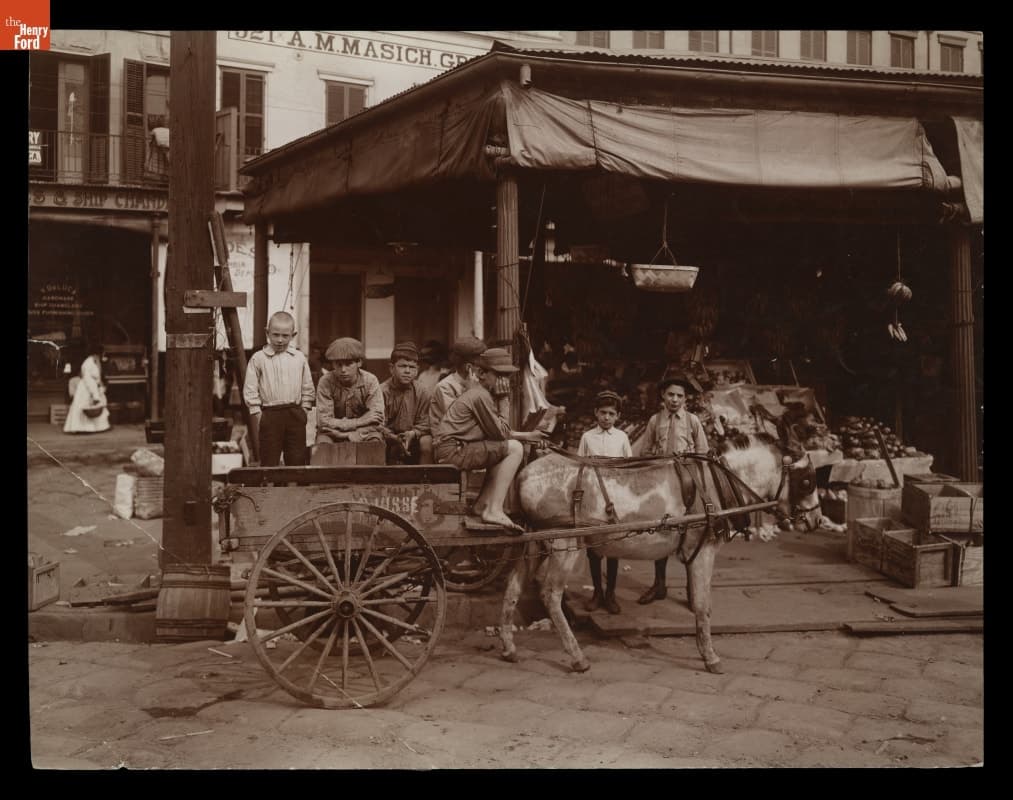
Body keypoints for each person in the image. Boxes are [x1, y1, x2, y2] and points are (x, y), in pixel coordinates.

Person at [433, 348, 548, 532]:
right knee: (515, 449)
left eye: (508, 376)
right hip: (454, 451)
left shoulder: (480, 394)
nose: (505, 381)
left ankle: (482, 505)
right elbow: (501, 433)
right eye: (500, 375)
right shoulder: (481, 396)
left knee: (503, 449)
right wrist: (504, 399)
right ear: (481, 374)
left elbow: (495, 433)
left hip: (456, 448)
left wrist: (527, 436)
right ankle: (494, 509)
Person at [633, 376, 710, 605]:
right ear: (663, 396)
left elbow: (703, 454)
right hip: (662, 485)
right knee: (662, 531)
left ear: (685, 399)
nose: (674, 400)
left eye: (679, 396)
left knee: (690, 533)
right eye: (670, 395)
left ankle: (691, 587)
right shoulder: (655, 421)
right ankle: (659, 585)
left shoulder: (692, 421)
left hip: (687, 484)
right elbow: (645, 452)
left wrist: (689, 465)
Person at [577, 390, 632, 615]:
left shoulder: (622, 438)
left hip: (615, 498)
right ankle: (597, 592)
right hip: (593, 496)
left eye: (611, 413)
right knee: (593, 547)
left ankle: (610, 594)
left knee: (613, 546)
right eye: (603, 413)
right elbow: (579, 466)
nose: (606, 417)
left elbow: (628, 468)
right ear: (595, 413)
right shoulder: (587, 437)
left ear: (617, 415)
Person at [242, 311, 314, 466]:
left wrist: (305, 409)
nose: (280, 340)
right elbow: (250, 388)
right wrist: (258, 414)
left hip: (295, 413)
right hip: (270, 414)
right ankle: (271, 489)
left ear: (293, 335)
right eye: (275, 335)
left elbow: (307, 386)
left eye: (285, 336)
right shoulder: (258, 358)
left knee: (296, 457)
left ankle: (295, 489)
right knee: (269, 458)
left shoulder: (299, 358)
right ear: (267, 332)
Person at [315, 337, 384, 445]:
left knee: (374, 443)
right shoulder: (326, 382)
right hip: (332, 433)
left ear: (359, 362)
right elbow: (323, 422)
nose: (343, 370)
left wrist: (355, 434)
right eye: (338, 364)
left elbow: (378, 420)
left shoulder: (370, 381)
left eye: (348, 364)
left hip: (365, 432)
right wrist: (359, 422)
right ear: (332, 364)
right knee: (323, 445)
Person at [379, 340, 433, 465]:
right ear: (392, 368)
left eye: (412, 367)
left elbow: (427, 421)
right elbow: (377, 423)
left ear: (417, 370)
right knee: (375, 440)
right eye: (403, 366)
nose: (407, 371)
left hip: (413, 437)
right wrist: (393, 437)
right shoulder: (381, 391)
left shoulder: (423, 392)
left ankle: (425, 480)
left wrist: (413, 433)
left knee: (427, 442)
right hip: (388, 438)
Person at [429, 336, 486, 434]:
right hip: (448, 441)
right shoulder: (444, 387)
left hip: (469, 437)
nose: (484, 371)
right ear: (469, 367)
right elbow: (459, 421)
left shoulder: (478, 383)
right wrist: (471, 392)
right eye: (481, 366)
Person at [63, 345, 111, 434]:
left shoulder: (94, 362)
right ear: (97, 354)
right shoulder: (88, 363)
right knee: (85, 406)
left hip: (91, 387)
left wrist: (100, 387)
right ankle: (83, 428)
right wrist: (95, 394)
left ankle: (97, 427)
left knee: (95, 407)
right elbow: (89, 380)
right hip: (87, 389)